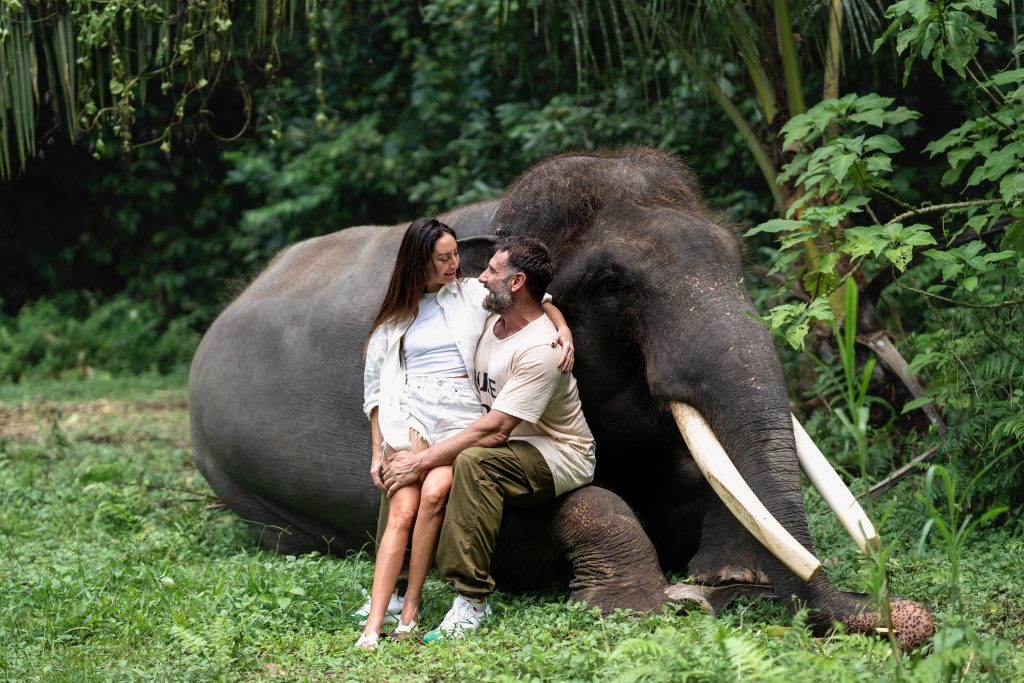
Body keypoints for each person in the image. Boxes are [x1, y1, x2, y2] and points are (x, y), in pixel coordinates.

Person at [357, 219, 574, 649]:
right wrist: (377, 448)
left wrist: (563, 328)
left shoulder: (472, 294)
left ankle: (424, 600)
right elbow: (376, 390)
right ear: (419, 262)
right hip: (414, 413)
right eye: (444, 258)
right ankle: (390, 602)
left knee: (435, 492)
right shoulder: (394, 319)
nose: (456, 264)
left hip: (461, 414)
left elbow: (538, 299)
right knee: (402, 498)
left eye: (456, 254)